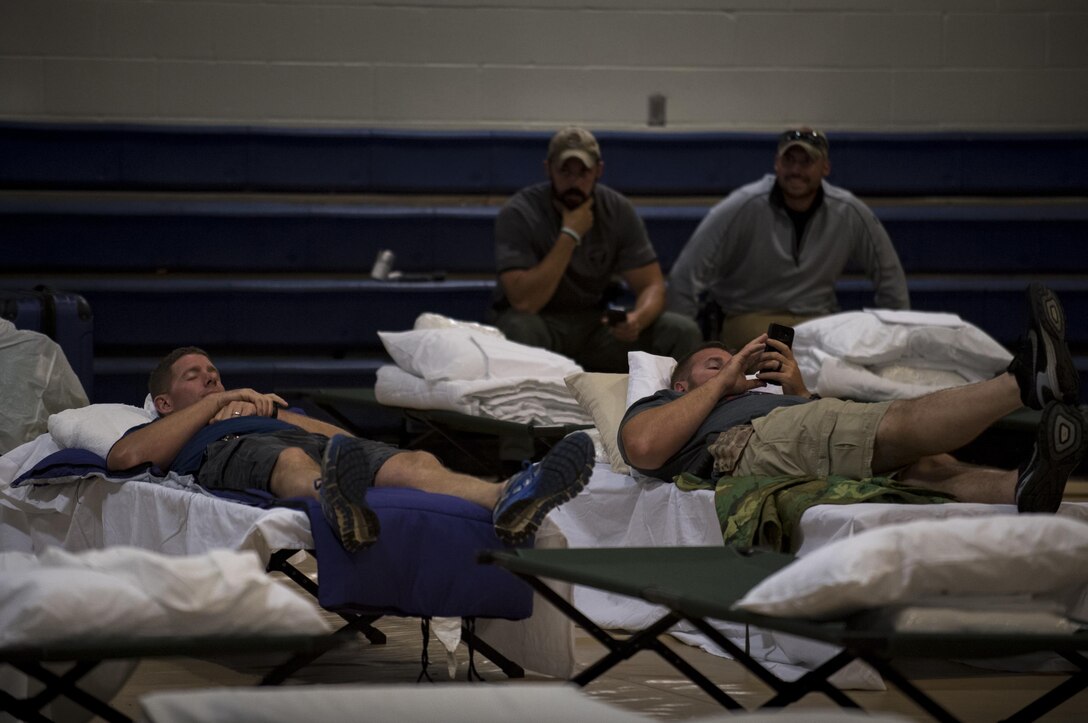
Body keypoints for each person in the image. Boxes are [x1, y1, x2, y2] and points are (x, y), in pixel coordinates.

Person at [620, 284, 1085, 514]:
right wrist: (725, 383)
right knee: (895, 422)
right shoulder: (660, 404)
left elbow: (811, 430)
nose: (731, 368)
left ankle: (1019, 488)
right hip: (748, 444)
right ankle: (1022, 382)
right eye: (714, 364)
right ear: (679, 386)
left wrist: (798, 393)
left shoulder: (762, 398)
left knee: (926, 470)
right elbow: (643, 448)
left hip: (784, 436)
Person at [107, 347, 595, 552]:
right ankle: (336, 501)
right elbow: (124, 459)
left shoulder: (256, 407)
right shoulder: (172, 427)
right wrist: (217, 402)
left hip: (287, 438)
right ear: (165, 401)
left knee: (416, 460)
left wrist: (275, 414)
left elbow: (330, 437)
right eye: (195, 376)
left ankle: (505, 497)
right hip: (236, 451)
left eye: (213, 373)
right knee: (290, 462)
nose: (211, 377)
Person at [667, 128, 910, 351]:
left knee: (851, 359)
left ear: (825, 167)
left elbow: (889, 275)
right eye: (789, 160)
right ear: (776, 163)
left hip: (819, 320)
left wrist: (895, 340)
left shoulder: (849, 211)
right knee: (781, 359)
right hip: (751, 316)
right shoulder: (742, 206)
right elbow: (685, 275)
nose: (796, 170)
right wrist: (688, 355)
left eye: (807, 162)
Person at [492, 125, 702, 372]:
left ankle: (674, 407)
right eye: (565, 172)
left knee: (680, 330)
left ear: (598, 171)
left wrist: (637, 319)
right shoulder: (520, 212)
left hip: (594, 325)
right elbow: (525, 302)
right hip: (541, 323)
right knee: (519, 328)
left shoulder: (617, 209)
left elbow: (652, 285)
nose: (574, 182)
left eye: (583, 173)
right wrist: (569, 234)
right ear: (548, 169)